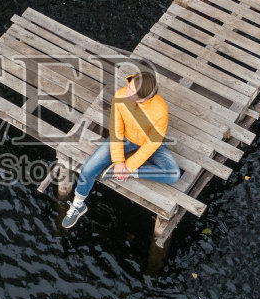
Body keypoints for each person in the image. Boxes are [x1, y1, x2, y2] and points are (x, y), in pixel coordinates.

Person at [61, 64, 181, 228]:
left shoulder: (160, 110)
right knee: (88, 169)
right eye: (129, 86)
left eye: (133, 92)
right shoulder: (120, 96)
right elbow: (116, 128)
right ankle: (78, 205)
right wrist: (118, 161)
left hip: (150, 143)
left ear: (144, 98)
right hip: (124, 138)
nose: (127, 92)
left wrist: (128, 167)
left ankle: (131, 173)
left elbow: (152, 143)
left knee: (174, 174)